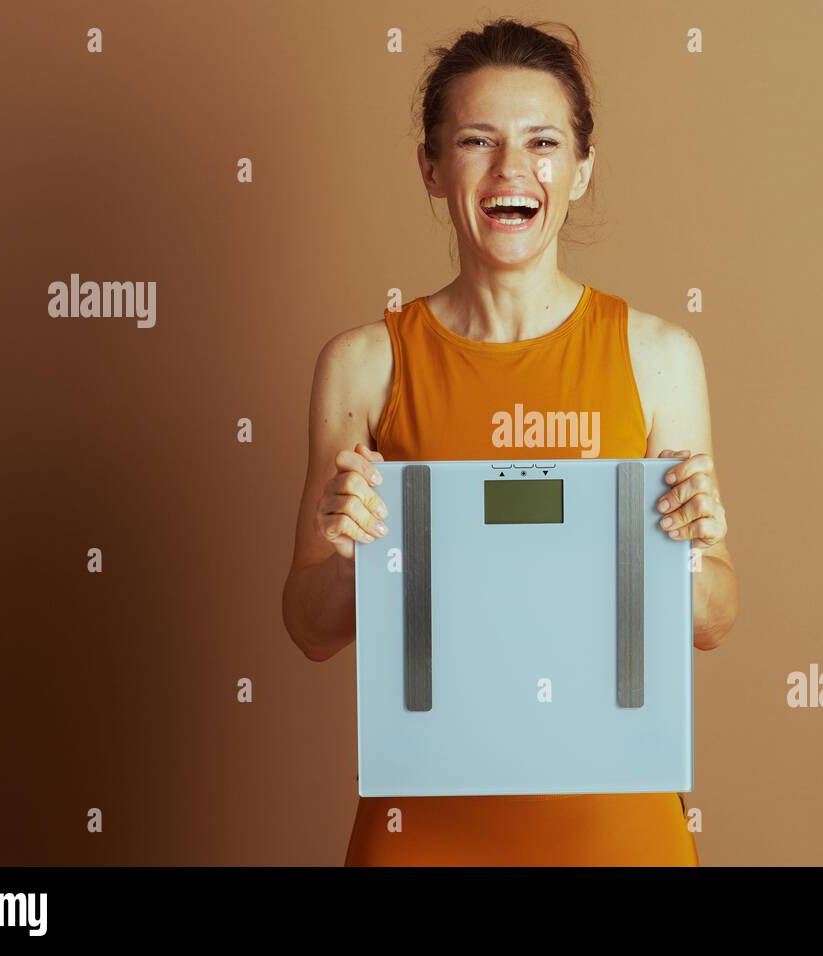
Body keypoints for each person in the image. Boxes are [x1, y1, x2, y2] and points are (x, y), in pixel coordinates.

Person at [282, 17, 739, 866]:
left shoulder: (660, 357)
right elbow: (309, 626)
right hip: (422, 831)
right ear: (431, 166)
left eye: (542, 142)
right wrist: (358, 559)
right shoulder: (363, 365)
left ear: (580, 167)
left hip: (617, 828)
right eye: (475, 141)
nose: (511, 170)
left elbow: (713, 619)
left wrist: (685, 549)